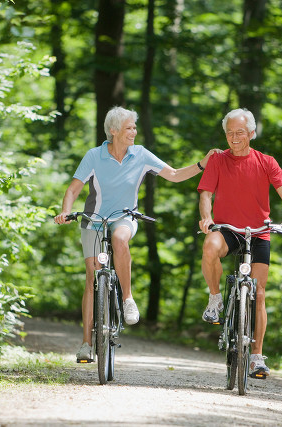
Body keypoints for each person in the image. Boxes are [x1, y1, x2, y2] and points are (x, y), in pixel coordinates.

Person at [55, 106, 218, 362]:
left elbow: (174, 175)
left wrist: (202, 164)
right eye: (130, 127)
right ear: (114, 130)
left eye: (134, 127)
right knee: (92, 278)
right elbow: (73, 189)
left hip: (125, 216)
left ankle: (128, 298)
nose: (134, 131)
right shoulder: (94, 156)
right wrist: (65, 212)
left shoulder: (140, 154)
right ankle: (86, 343)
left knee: (120, 239)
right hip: (94, 220)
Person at [197, 108, 282, 379]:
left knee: (260, 293)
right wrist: (206, 218)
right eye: (229, 133)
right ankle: (215, 299)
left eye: (240, 132)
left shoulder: (266, 162)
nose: (234, 137)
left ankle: (256, 356)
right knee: (209, 245)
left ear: (251, 133)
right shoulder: (218, 160)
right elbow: (206, 195)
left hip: (258, 232)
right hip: (227, 229)